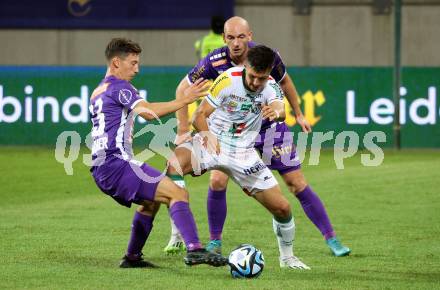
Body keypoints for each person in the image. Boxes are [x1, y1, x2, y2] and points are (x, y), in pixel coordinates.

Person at [164, 16, 351, 257]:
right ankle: (214, 241)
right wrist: (182, 129)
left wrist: (298, 113)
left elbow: (285, 84)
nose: (236, 43)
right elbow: (183, 89)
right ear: (224, 39)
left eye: (241, 37)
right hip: (232, 134)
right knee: (217, 181)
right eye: (230, 38)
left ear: (249, 36)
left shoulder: (266, 57)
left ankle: (332, 238)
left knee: (296, 184)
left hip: (269, 129)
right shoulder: (215, 61)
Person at [167, 45, 310, 269]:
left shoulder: (270, 86)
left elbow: (280, 108)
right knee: (174, 164)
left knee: (283, 208)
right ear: (246, 67)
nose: (255, 83)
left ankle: (288, 257)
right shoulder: (227, 80)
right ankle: (180, 234)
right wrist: (208, 135)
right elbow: (199, 115)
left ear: (268, 73)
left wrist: (277, 112)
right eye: (252, 76)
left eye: (260, 79)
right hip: (212, 141)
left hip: (243, 153)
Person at [89, 37, 228, 268]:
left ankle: (132, 257)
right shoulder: (119, 87)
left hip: (103, 166)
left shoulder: (98, 91)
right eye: (132, 63)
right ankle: (195, 249)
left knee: (151, 202)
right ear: (116, 62)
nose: (137, 68)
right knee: (177, 194)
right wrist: (184, 100)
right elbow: (148, 112)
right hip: (116, 164)